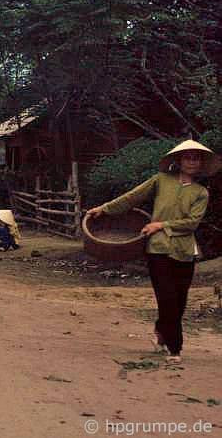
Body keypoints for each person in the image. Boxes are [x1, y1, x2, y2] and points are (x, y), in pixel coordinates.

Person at [87, 140, 218, 364]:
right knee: (166, 297)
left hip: (184, 250)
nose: (192, 162)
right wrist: (103, 209)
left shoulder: (201, 193)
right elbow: (132, 197)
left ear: (201, 164)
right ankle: (175, 348)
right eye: (187, 157)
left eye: (196, 158)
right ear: (178, 160)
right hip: (157, 248)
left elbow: (192, 222)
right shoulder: (160, 180)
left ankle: (161, 330)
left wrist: (161, 225)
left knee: (180, 300)